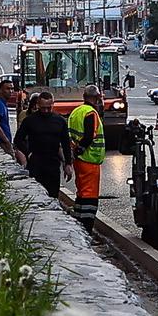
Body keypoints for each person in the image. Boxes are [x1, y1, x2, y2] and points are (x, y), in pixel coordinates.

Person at [12, 93, 69, 198]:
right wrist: (28, 154)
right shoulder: (30, 121)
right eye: (43, 108)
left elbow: (66, 143)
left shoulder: (60, 121)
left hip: (53, 164)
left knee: (53, 195)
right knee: (36, 195)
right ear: (38, 105)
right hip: (36, 163)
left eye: (49, 108)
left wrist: (68, 164)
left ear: (53, 104)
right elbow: (18, 140)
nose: (46, 111)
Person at [66, 87, 107, 225]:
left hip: (79, 159)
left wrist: (75, 152)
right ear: (97, 98)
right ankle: (86, 225)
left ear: (84, 96)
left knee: (82, 193)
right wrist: (81, 149)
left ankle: (78, 221)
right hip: (90, 159)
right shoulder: (91, 113)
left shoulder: (76, 111)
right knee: (90, 195)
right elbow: (89, 136)